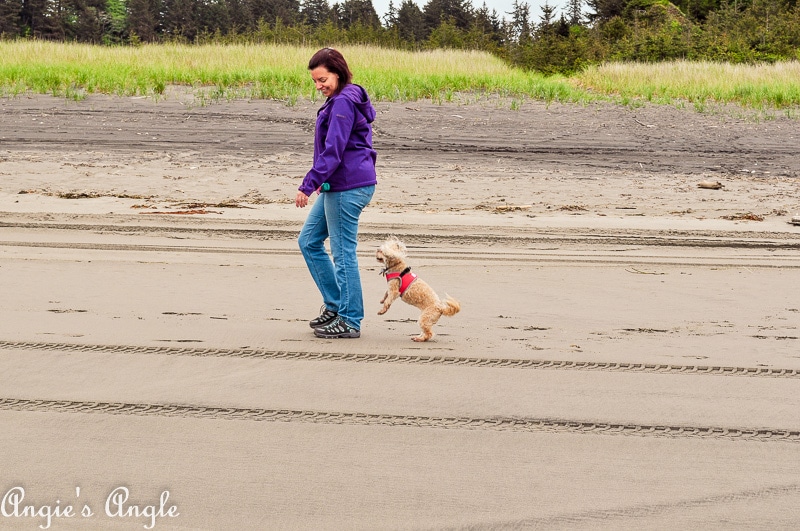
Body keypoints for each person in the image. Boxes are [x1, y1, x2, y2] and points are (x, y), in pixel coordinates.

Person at [295, 48, 377, 339]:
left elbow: (334, 150)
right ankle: (335, 305)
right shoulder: (341, 98)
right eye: (315, 81)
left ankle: (350, 320)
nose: (319, 86)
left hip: (348, 186)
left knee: (343, 254)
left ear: (338, 73)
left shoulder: (342, 102)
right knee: (308, 241)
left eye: (323, 79)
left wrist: (308, 184)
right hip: (339, 184)